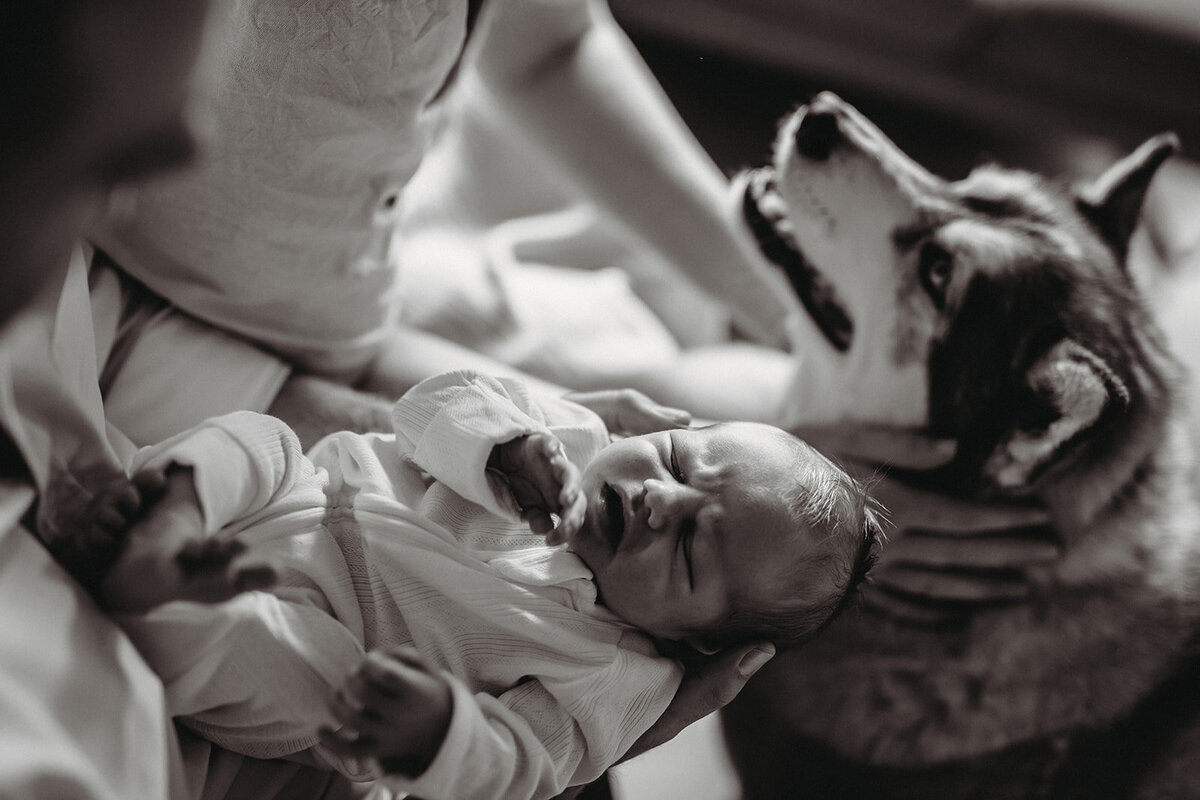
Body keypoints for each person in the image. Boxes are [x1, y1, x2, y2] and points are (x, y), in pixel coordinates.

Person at [74, 369, 881, 800]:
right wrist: (500, 442)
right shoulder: (566, 437)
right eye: (675, 459)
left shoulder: (619, 674)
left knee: (322, 697)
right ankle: (173, 506)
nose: (661, 500)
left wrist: (440, 733)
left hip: (335, 628)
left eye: (693, 550)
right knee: (261, 440)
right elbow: (428, 404)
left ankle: (171, 600)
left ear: (701, 640)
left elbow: (525, 765)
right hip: (305, 491)